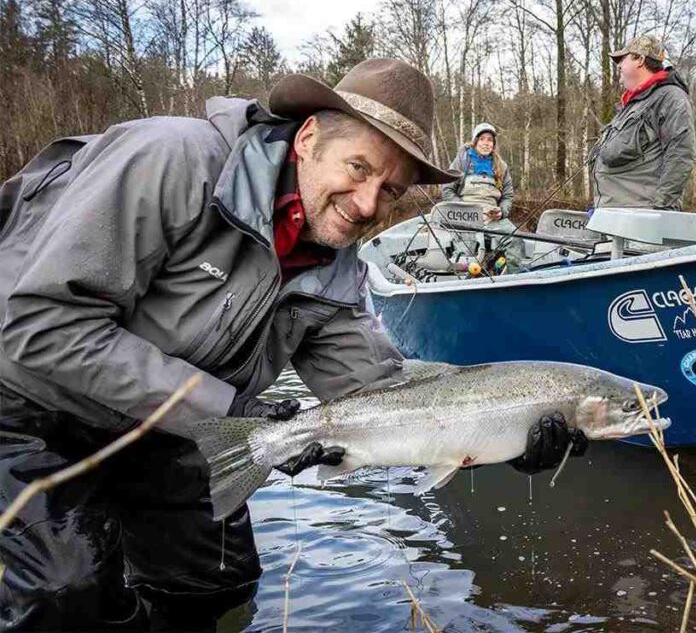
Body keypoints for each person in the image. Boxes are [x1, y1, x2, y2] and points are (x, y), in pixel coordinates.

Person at [0, 59, 586, 630]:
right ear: (308, 138)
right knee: (64, 593)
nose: (367, 205)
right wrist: (228, 411)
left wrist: (504, 426)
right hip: (26, 403)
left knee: (218, 580)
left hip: (172, 421)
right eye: (358, 168)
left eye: (390, 191)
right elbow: (42, 323)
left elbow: (380, 392)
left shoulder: (336, 261)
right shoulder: (169, 161)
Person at [589, 35, 696, 211]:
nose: (618, 66)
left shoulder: (671, 98)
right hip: (612, 217)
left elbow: (681, 156)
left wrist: (661, 212)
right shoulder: (632, 105)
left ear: (640, 59)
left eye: (622, 59)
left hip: (639, 221)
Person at [442, 123, 524, 270]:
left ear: (494, 144)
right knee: (464, 255)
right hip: (465, 218)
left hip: (493, 219)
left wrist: (502, 211)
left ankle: (511, 281)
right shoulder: (462, 161)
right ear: (475, 141)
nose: (486, 143)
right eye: (482, 139)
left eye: (490, 140)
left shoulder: (501, 166)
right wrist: (463, 210)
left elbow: (508, 196)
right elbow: (447, 190)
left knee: (516, 239)